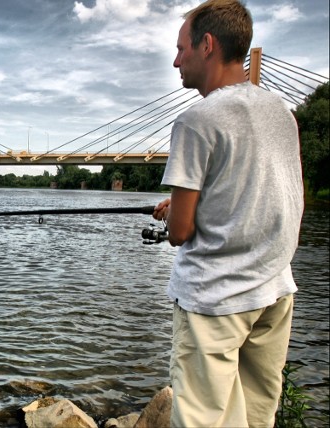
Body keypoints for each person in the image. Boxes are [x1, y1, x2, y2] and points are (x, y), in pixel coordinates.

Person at [152, 0, 304, 426]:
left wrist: (176, 215)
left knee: (204, 418)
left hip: (215, 300)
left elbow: (180, 232)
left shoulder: (196, 121)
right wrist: (182, 206)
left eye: (181, 47)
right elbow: (262, 192)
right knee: (257, 415)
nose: (175, 59)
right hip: (274, 291)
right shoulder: (281, 112)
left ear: (208, 45)